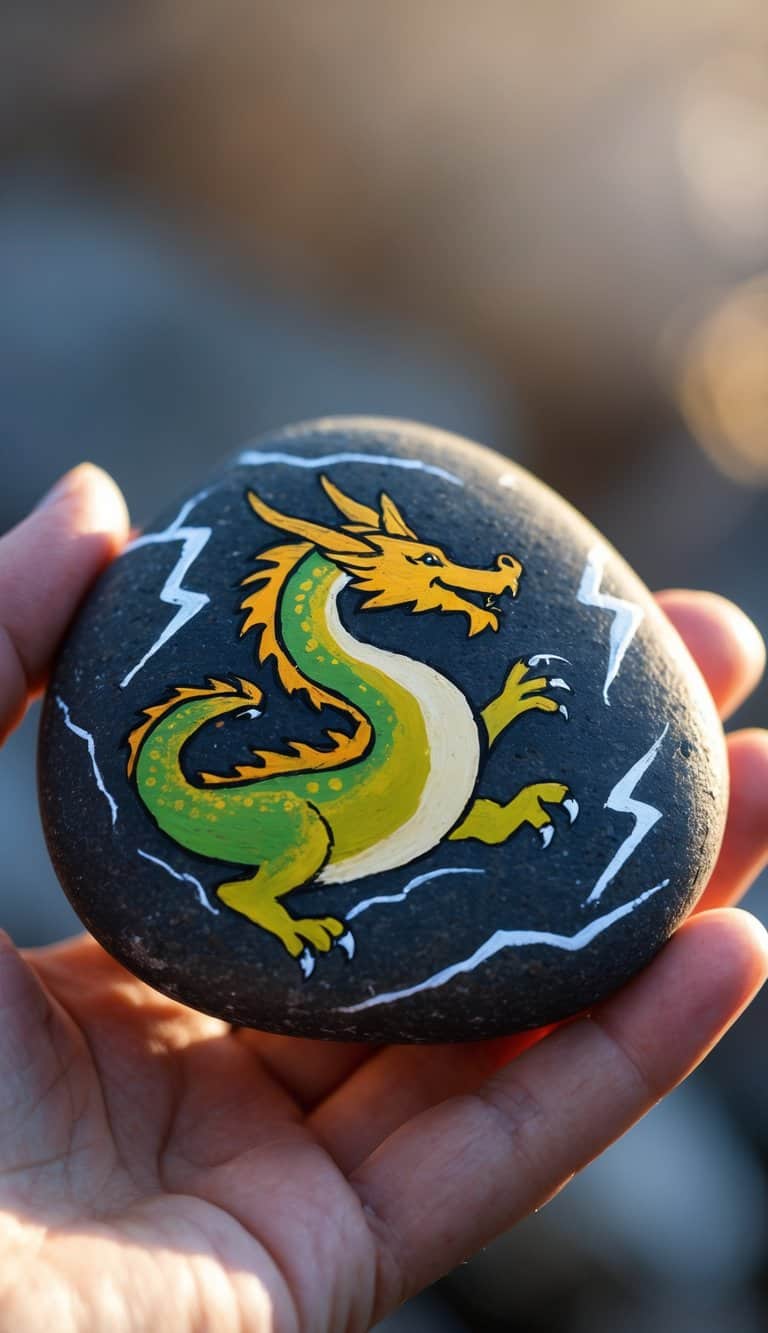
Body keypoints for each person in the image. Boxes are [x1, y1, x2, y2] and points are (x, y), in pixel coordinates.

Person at [0, 463, 767, 1332]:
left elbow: (442, 803)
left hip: (384, 829)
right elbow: (429, 791)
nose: (478, 586)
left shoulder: (415, 729)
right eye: (433, 577)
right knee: (306, 838)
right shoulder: (352, 708)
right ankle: (266, 902)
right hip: (291, 832)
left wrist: (506, 721)